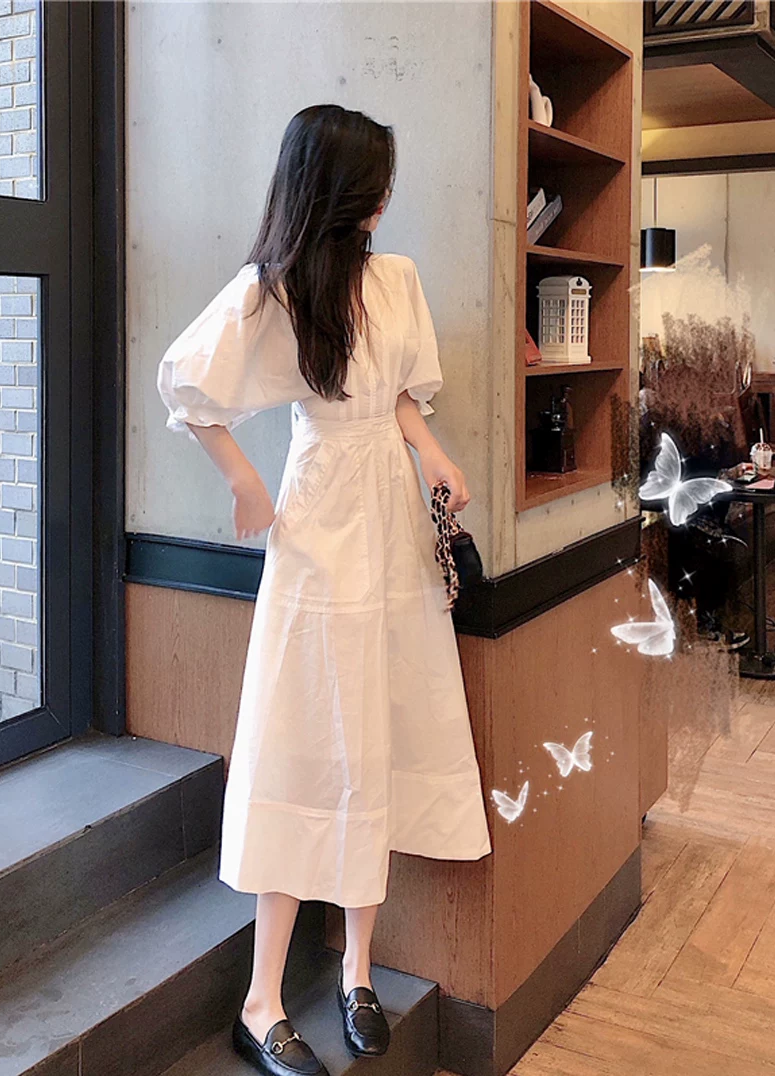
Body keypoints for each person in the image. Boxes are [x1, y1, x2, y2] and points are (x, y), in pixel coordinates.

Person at [157, 104, 492, 1076]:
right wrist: (244, 480)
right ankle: (259, 1000)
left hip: (390, 518)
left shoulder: (397, 279)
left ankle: (355, 970)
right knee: (305, 737)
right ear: (343, 193)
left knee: (374, 731)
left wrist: (432, 455)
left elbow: (398, 396)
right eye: (376, 184)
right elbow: (186, 385)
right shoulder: (273, 291)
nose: (387, 199)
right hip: (317, 527)